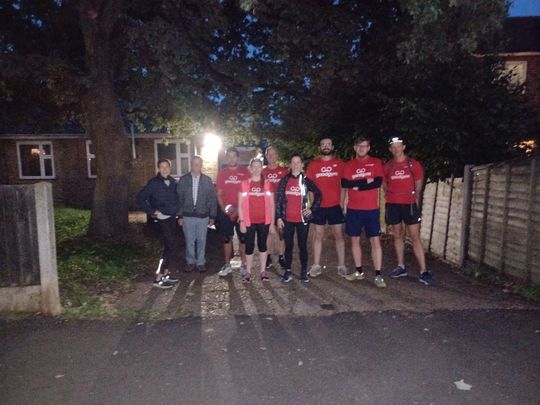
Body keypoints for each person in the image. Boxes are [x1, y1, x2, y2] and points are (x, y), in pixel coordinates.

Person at [384, 135, 434, 285]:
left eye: (398, 145)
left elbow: (419, 184)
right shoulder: (387, 166)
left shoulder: (414, 164)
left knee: (415, 236)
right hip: (393, 204)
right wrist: (390, 194)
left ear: (403, 147)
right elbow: (384, 183)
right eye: (393, 147)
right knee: (397, 234)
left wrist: (414, 199)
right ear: (390, 149)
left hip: (410, 204)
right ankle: (401, 267)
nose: (396, 149)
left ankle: (423, 271)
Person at [341, 136, 386, 288]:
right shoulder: (349, 164)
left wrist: (358, 186)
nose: (362, 148)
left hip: (371, 209)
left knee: (375, 240)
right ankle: (359, 271)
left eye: (365, 146)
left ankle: (378, 275)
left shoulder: (376, 162)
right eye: (359, 146)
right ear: (355, 148)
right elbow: (345, 183)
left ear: (368, 148)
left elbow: (378, 182)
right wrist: (367, 181)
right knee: (354, 240)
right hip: (353, 209)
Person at [276, 154, 322, 283]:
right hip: (287, 219)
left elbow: (318, 195)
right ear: (290, 165)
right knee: (288, 246)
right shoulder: (284, 180)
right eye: (293, 162)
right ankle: (288, 271)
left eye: (298, 162)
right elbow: (279, 200)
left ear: (302, 165)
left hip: (302, 220)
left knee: (302, 246)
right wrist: (278, 217)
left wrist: (312, 209)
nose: (296, 165)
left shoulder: (306, 181)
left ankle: (303, 271)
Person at [306, 137, 348, 277]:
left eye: (328, 144)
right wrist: (313, 206)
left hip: (335, 206)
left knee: (339, 235)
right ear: (320, 147)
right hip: (319, 207)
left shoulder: (340, 164)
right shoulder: (313, 165)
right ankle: (316, 265)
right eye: (323, 144)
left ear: (332, 146)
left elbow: (343, 186)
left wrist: (342, 204)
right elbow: (310, 188)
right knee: (318, 235)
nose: (326, 146)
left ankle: (341, 266)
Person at [137, 159, 180, 289]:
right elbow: (140, 198)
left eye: (167, 167)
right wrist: (152, 212)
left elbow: (177, 199)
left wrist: (177, 211)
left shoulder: (173, 182)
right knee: (169, 246)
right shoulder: (153, 183)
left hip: (172, 218)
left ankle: (166, 274)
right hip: (161, 219)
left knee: (170, 246)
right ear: (158, 169)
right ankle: (158, 277)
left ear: (170, 168)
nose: (164, 169)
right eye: (162, 167)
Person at [176, 155, 217, 272]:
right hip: (187, 216)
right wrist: (180, 215)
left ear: (201, 165)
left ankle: (200, 262)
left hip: (203, 216)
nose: (197, 166)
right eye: (195, 164)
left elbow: (212, 199)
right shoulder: (183, 180)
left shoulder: (207, 180)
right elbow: (179, 199)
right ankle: (190, 262)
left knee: (202, 240)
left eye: (199, 164)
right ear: (191, 165)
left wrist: (212, 215)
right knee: (189, 240)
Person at [238, 158, 275, 281]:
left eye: (258, 166)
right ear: (250, 168)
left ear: (262, 168)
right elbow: (240, 205)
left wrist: (272, 222)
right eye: (253, 166)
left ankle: (263, 271)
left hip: (264, 220)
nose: (256, 169)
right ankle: (248, 272)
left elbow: (271, 204)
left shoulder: (267, 183)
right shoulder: (244, 184)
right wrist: (242, 221)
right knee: (249, 246)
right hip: (249, 221)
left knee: (262, 246)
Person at [216, 147, 250, 277]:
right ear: (226, 158)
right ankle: (227, 265)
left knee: (243, 240)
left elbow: (247, 194)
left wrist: (239, 210)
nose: (231, 158)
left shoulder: (245, 172)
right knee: (226, 239)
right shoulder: (222, 173)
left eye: (233, 156)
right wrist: (225, 209)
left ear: (238, 158)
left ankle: (243, 265)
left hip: (241, 212)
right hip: (226, 213)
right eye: (229, 156)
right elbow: (218, 194)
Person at [262, 146, 287, 269]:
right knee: (268, 233)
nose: (271, 156)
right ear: (266, 156)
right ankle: (268, 256)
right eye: (269, 154)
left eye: (273, 154)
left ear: (277, 155)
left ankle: (282, 256)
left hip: (280, 207)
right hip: (266, 207)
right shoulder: (262, 172)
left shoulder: (284, 171)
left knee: (281, 233)